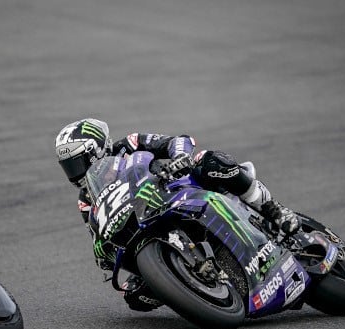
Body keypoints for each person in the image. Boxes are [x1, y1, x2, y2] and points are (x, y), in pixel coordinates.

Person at [55, 118, 301, 312]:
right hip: (144, 224)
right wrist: (104, 253)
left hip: (179, 189)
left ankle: (274, 210)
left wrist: (180, 158)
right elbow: (98, 235)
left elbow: (178, 141)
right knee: (136, 298)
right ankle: (189, 283)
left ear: (97, 149)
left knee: (208, 160)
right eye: (68, 166)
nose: (75, 172)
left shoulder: (129, 144)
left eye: (78, 162)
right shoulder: (86, 200)